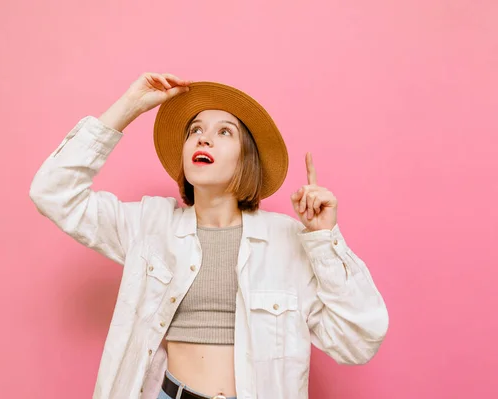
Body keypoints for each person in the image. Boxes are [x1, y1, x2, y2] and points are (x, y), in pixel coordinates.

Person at [29, 72, 389, 399]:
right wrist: (128, 107)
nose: (204, 139)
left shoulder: (288, 239)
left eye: (224, 132)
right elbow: (52, 192)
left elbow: (358, 340)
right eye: (195, 130)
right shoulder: (150, 225)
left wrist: (325, 239)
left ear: (245, 157)